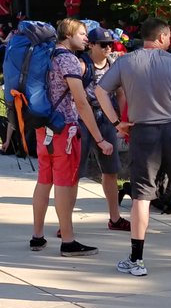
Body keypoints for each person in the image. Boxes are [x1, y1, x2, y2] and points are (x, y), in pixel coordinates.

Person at [96, 18, 171, 277]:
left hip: (142, 131)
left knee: (141, 196)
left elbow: (101, 90)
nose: (170, 40)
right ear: (162, 37)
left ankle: (137, 259)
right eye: (168, 36)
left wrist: (117, 122)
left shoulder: (125, 62)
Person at [29, 18, 113, 258]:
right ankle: (68, 241)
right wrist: (99, 138)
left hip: (44, 126)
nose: (86, 38)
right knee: (64, 184)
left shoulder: (48, 56)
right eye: (82, 33)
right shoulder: (67, 59)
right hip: (64, 129)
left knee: (44, 180)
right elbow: (81, 101)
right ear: (68, 35)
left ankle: (37, 236)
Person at [80, 27, 130, 232]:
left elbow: (120, 93)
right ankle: (65, 223)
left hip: (107, 119)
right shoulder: (82, 65)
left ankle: (115, 218)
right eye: (103, 44)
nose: (108, 48)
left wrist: (120, 122)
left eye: (110, 44)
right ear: (91, 45)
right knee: (74, 174)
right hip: (83, 120)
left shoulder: (113, 65)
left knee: (111, 171)